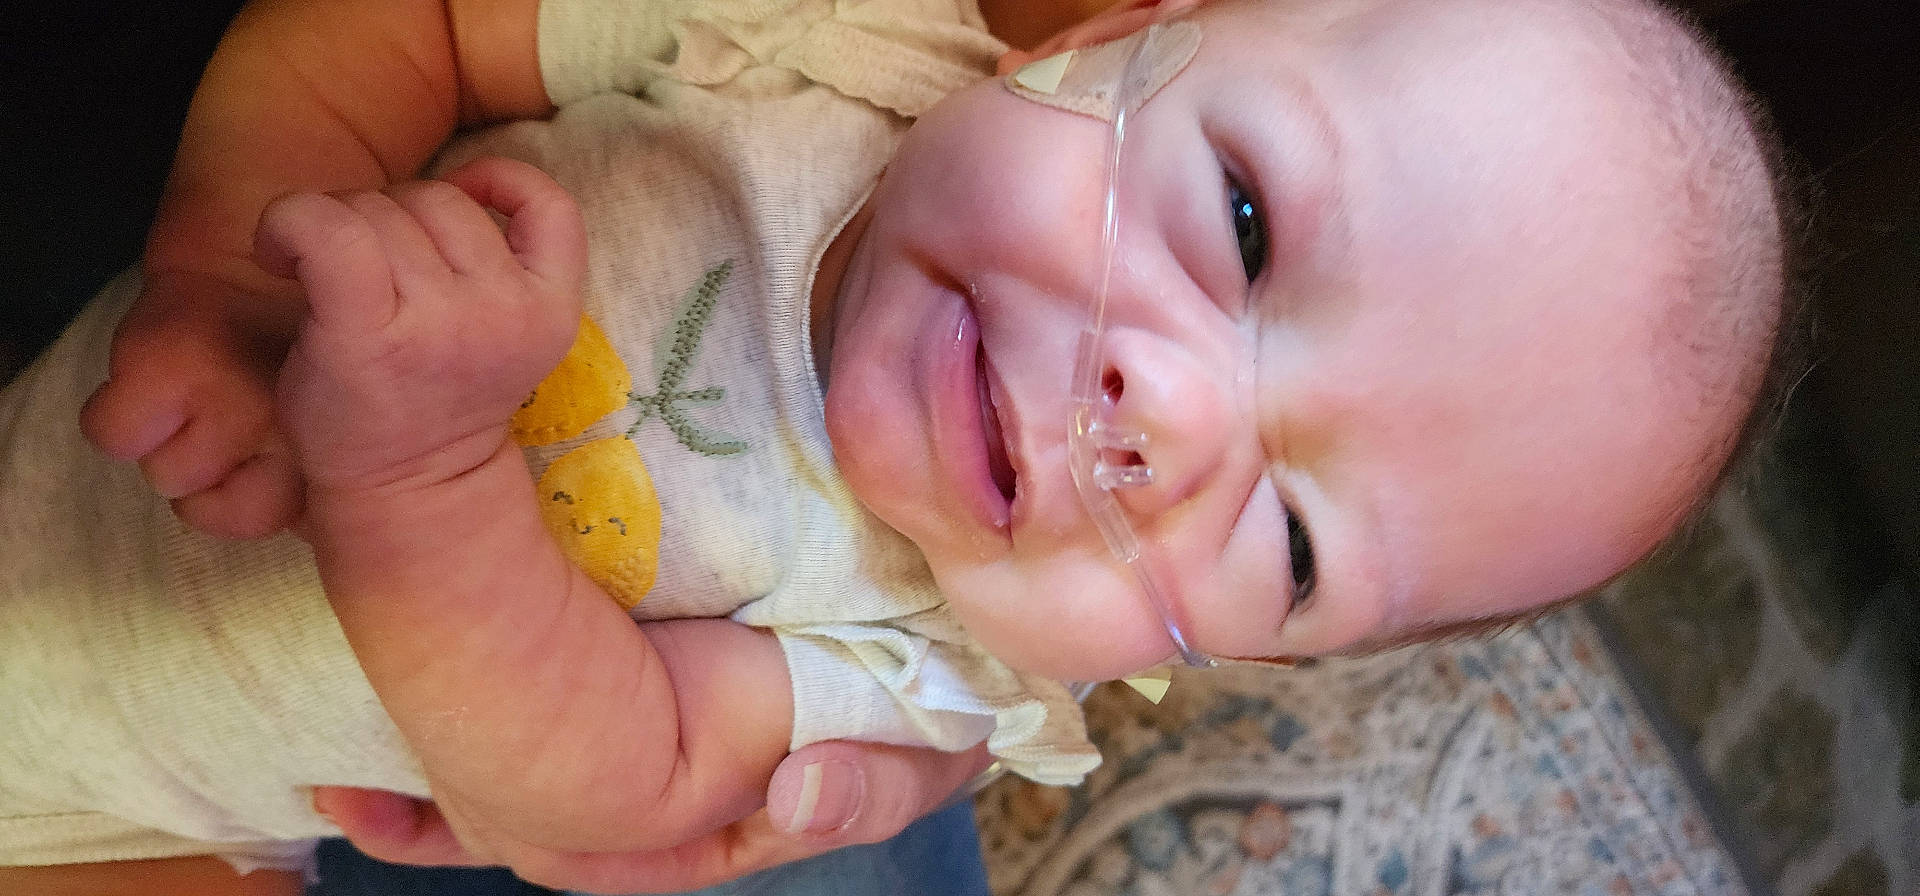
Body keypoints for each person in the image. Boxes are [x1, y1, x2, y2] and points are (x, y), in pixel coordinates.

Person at [0, 0, 1787, 892]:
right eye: (1242, 225)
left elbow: (598, 788)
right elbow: (407, 23)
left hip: (130, 814)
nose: (1164, 427)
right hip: (104, 423)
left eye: (1299, 547)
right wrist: (225, 266)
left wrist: (418, 474)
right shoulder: (827, 50)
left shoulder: (923, 673)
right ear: (1107, 41)